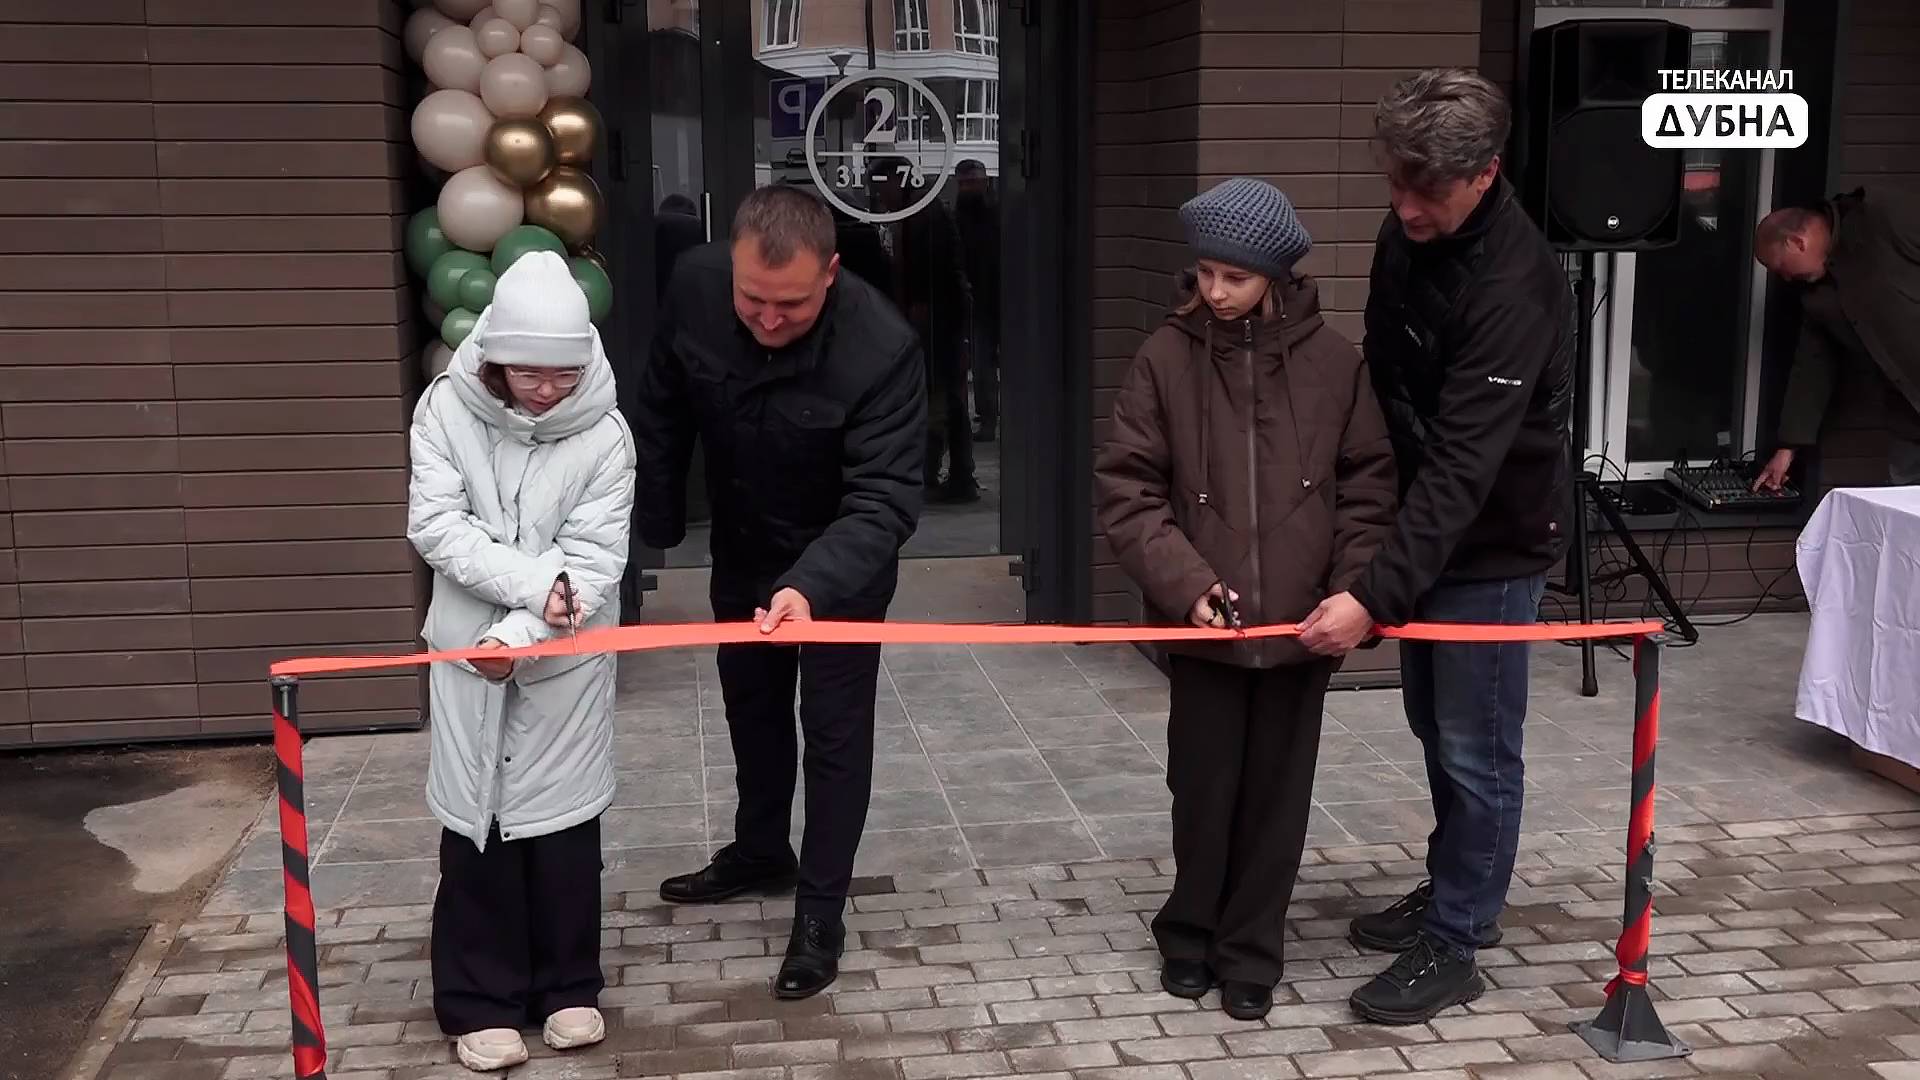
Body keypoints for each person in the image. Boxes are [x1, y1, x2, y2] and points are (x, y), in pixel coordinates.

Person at [1294, 68, 1575, 1025]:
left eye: (1427, 190)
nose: (1404, 206)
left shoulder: (1517, 281)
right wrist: (1358, 527)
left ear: (1484, 173)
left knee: (1475, 745)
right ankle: (1453, 884)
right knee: (1432, 728)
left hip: (1493, 547)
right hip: (1421, 530)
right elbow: (1384, 392)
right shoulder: (1404, 235)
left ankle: (1458, 940)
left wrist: (1373, 594)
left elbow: (1464, 464)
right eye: (1396, 182)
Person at [1095, 177, 1398, 1022]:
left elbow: (1369, 489)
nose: (1214, 292)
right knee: (1202, 788)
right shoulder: (1163, 357)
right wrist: (1185, 584)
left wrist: (1352, 595)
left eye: (1233, 276)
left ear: (1273, 273)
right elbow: (1128, 488)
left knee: (1276, 796)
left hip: (1304, 631)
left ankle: (1253, 949)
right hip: (1206, 631)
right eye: (1204, 274)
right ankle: (1189, 933)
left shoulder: (1339, 365)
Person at [634, 184, 926, 1000]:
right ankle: (761, 851)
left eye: (789, 306)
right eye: (752, 300)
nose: (766, 319)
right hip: (744, 542)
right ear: (729, 264)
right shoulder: (693, 286)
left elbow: (885, 500)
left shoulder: (883, 345)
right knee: (751, 708)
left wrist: (809, 585)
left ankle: (819, 911)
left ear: (830, 274)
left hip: (844, 565)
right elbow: (660, 402)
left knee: (833, 735)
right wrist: (655, 523)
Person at [405, 251, 637, 1072]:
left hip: (562, 660)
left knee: (566, 832)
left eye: (563, 374)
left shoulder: (607, 432)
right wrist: (530, 595)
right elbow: (437, 527)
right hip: (468, 655)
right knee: (478, 828)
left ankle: (569, 985)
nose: (546, 389)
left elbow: (598, 558)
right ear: (496, 357)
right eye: (529, 373)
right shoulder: (444, 411)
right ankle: (480, 998)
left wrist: (523, 634)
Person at [1751, 187, 1920, 490]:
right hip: (1908, 419)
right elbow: (1812, 369)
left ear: (1797, 242)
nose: (1786, 278)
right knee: (1901, 516)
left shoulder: (1883, 221)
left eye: (1780, 267)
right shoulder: (1817, 298)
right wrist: (1787, 448)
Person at [954, 159, 1002, 443]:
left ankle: (989, 419)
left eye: (972, 182)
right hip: (986, 299)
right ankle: (989, 418)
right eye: (963, 183)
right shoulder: (992, 211)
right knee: (983, 367)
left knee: (985, 366)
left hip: (993, 298)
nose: (968, 188)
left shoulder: (989, 213)